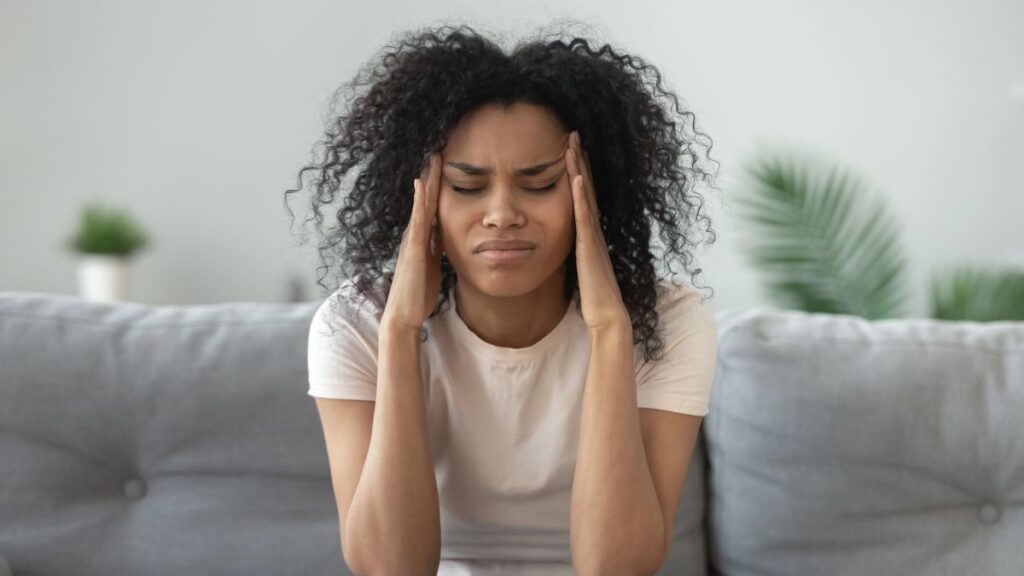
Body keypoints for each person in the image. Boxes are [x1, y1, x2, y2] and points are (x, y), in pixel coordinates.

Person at [286, 23, 721, 576]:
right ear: (421, 196)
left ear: (595, 191)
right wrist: (399, 331)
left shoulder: (668, 322)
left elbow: (617, 567)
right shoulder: (355, 324)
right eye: (467, 186)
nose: (502, 214)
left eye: (539, 184)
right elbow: (389, 568)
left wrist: (611, 331)